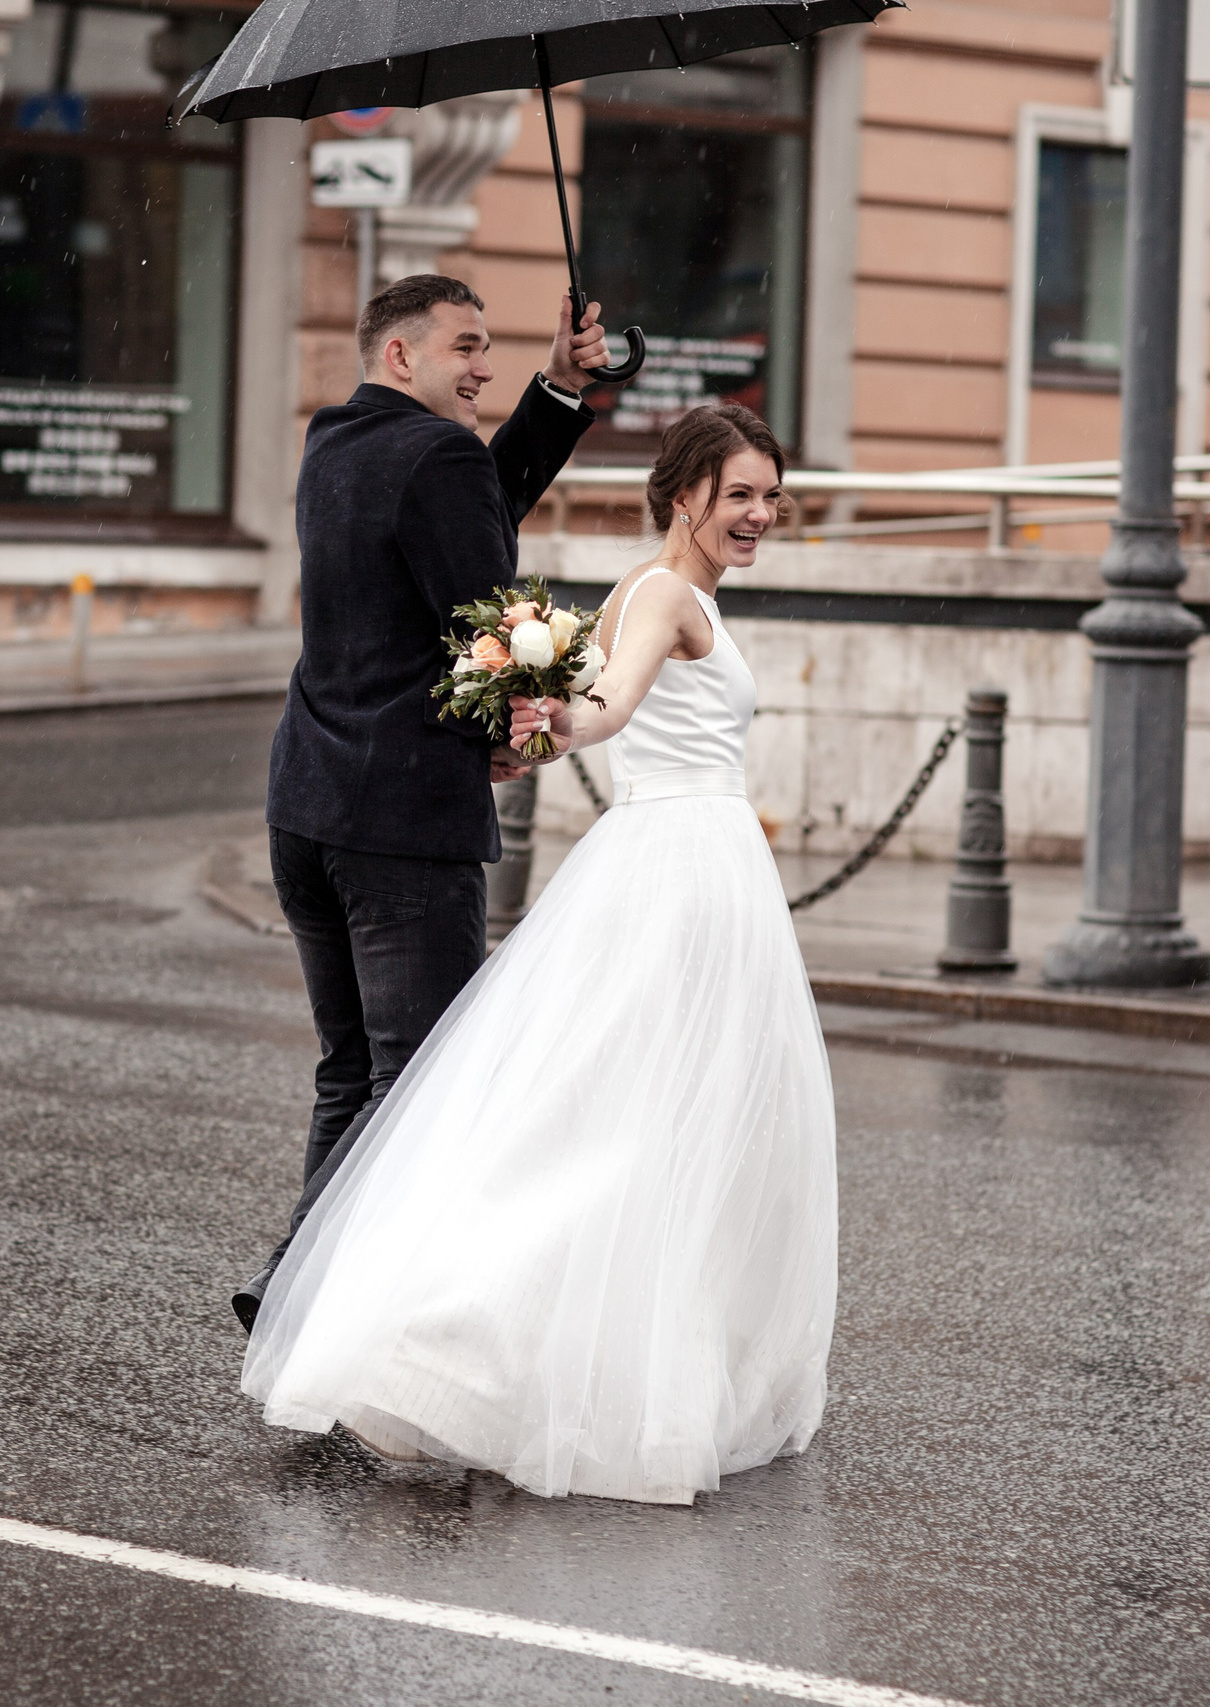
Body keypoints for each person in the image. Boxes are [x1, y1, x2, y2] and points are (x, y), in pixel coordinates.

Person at [242, 404, 838, 1506]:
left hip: (682, 864)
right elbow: (607, 706)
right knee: (648, 1125)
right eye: (740, 494)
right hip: (681, 866)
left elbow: (592, 694)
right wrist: (551, 720)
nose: (760, 514)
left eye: (770, 494)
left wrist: (537, 706)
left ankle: (631, 1353)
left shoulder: (650, 590)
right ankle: (481, 1348)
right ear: (683, 494)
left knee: (632, 1117)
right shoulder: (662, 595)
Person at [233, 274, 610, 1331]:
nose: (482, 367)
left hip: (307, 800)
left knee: (353, 1071)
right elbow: (481, 609)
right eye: (466, 348)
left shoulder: (335, 441)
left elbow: (459, 509)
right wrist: (509, 727)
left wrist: (555, 389)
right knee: (420, 1083)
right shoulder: (435, 456)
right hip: (400, 825)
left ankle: (312, 1308)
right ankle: (299, 1279)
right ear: (403, 357)